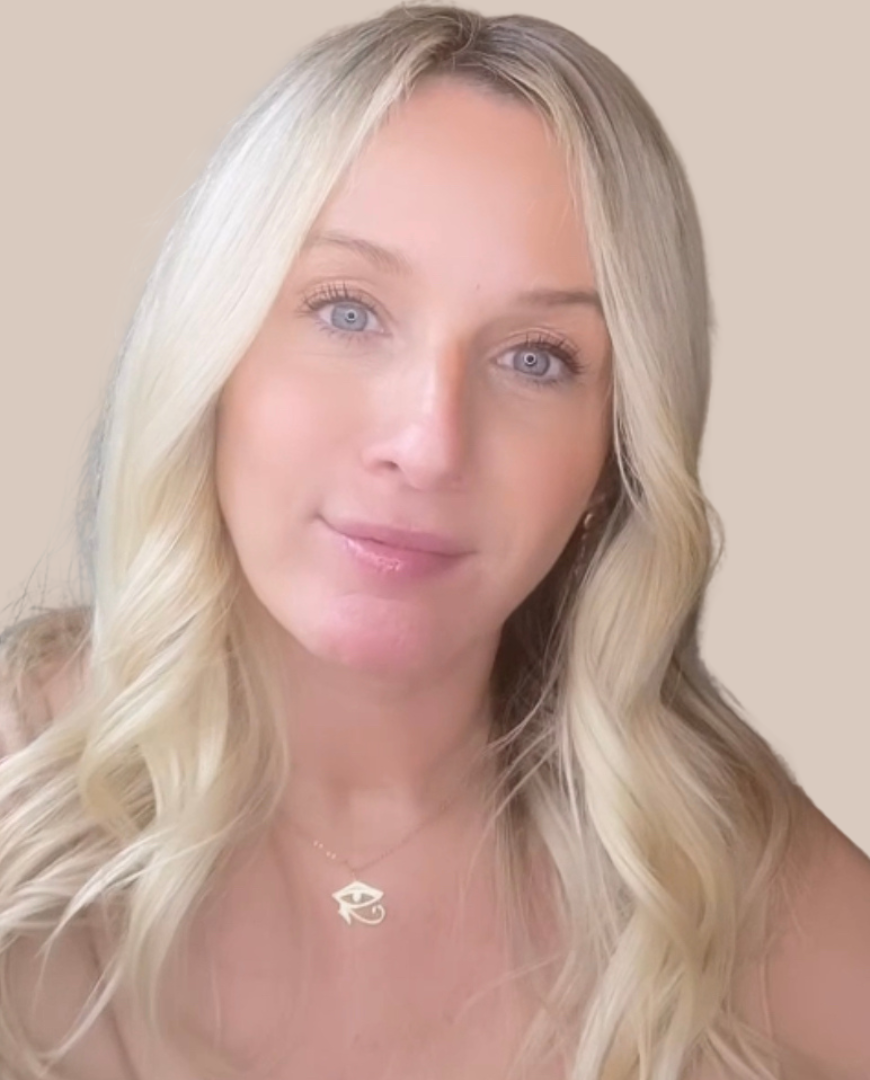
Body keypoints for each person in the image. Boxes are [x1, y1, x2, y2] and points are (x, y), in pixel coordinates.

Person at [1, 5, 868, 1079]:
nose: (428, 443)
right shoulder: (20, 809)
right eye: (348, 311)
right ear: (209, 355)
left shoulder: (696, 863)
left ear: (614, 456)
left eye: (538, 358)